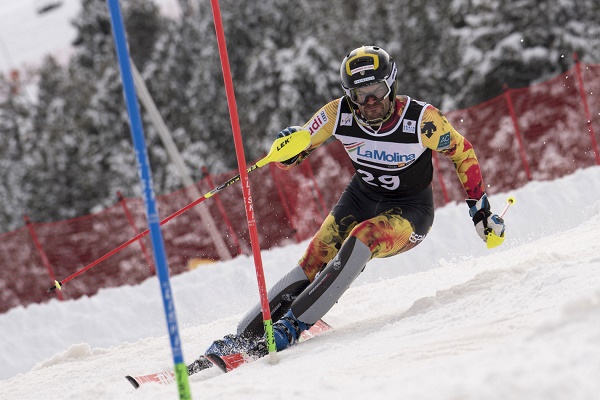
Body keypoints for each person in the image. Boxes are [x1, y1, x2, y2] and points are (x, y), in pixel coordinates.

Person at [204, 45, 506, 366]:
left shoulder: (421, 120)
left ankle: (291, 327)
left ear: (391, 86)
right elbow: (298, 146)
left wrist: (480, 208)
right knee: (315, 257)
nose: (370, 102)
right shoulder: (338, 113)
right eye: (361, 94)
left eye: (377, 91)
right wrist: (289, 148)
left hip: (410, 211)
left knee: (364, 237)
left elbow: (463, 151)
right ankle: (244, 335)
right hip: (361, 198)